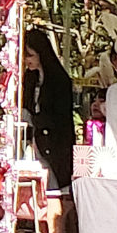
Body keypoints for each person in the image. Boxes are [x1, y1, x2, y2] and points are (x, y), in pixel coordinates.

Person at [24, 28, 77, 187]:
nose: (27, 60)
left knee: (54, 188)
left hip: (55, 147)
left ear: (42, 54)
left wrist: (35, 119)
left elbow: (60, 118)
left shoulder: (59, 80)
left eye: (30, 55)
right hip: (34, 141)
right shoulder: (29, 77)